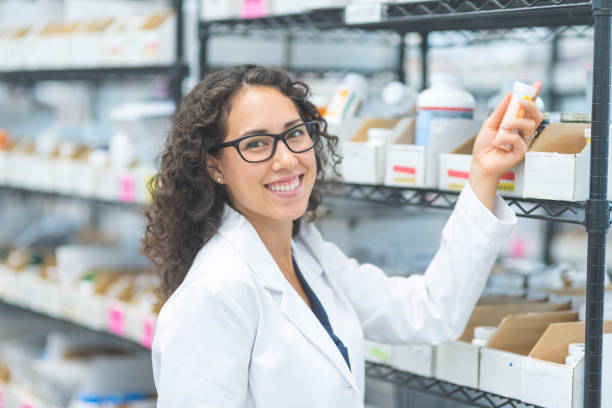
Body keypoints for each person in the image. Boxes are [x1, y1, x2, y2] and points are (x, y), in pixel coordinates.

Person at [143, 65, 542, 407]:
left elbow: (427, 313)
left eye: (294, 134)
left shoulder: (307, 252)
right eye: (257, 144)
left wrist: (484, 174)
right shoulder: (215, 293)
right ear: (214, 165)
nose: (286, 159)